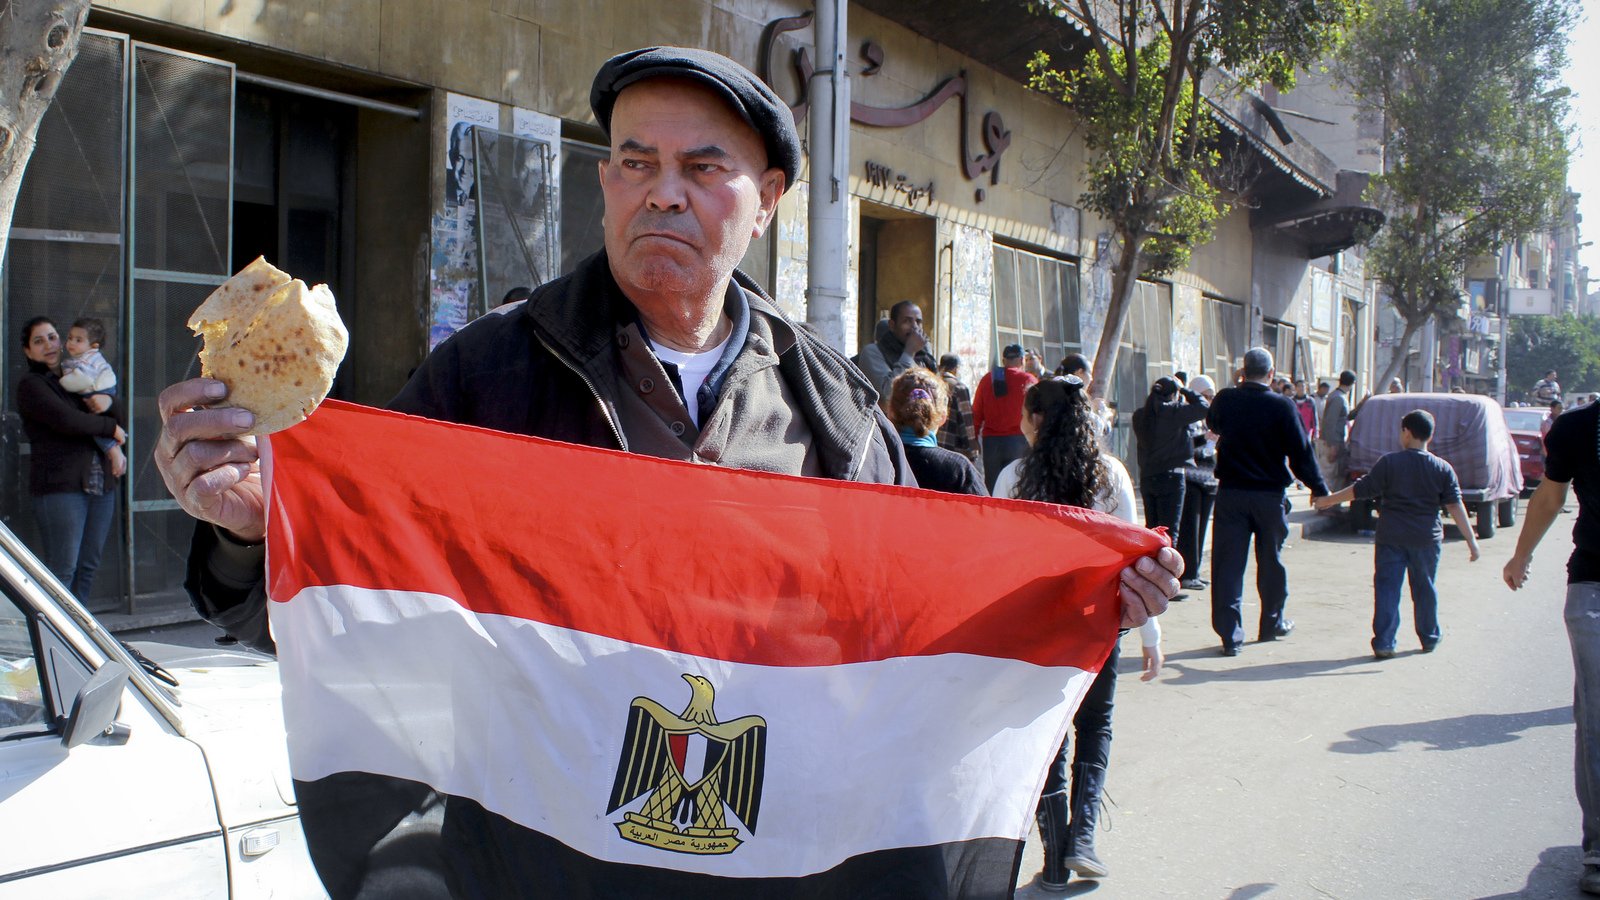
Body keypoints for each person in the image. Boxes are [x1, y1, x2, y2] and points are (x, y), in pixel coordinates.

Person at [152, 47, 1183, 895]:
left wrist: (1075, 606)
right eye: (636, 163)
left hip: (760, 855)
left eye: (702, 169)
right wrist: (251, 534)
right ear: (604, 180)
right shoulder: (486, 375)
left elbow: (901, 649)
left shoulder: (832, 410)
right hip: (537, 855)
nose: (662, 196)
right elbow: (346, 605)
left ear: (767, 198)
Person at [991, 377, 1163, 890]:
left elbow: (999, 562)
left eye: (1025, 415)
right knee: (1096, 725)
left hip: (1036, 627)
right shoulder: (1109, 475)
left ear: (1036, 420)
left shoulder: (1013, 477)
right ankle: (1084, 838)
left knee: (1047, 737)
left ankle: (1057, 856)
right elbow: (1137, 561)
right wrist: (1151, 634)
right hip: (1099, 621)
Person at [1503, 393, 1600, 896]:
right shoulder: (1578, 429)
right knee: (1597, 715)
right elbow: (1549, 496)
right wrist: (1521, 556)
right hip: (1594, 587)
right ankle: (1599, 847)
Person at [1313, 410, 1479, 657]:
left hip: (1391, 537)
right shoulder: (1443, 469)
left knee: (1387, 589)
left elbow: (1361, 490)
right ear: (1429, 436)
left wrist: (1328, 500)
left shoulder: (1390, 463)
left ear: (1407, 433)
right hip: (1426, 540)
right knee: (1425, 588)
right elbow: (1455, 506)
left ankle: (1384, 642)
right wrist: (1472, 542)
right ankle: (1429, 637)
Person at [1207, 347, 1328, 656]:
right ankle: (1271, 623)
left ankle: (1230, 636)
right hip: (1269, 497)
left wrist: (1236, 386)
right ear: (1272, 375)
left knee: (1227, 566)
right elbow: (1301, 454)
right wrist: (1319, 488)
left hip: (1231, 494)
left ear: (1242, 371)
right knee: (1271, 562)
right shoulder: (1283, 406)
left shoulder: (1226, 399)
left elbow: (1214, 424)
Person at [17, 317, 127, 601]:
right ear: (28, 351)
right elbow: (68, 421)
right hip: (61, 489)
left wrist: (110, 403)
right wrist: (111, 430)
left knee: (88, 567)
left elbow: (119, 414)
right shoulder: (32, 385)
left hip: (100, 486)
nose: (49, 345)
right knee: (62, 570)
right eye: (38, 341)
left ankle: (81, 639)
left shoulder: (78, 375)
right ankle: (55, 639)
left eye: (52, 337)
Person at [1130, 376, 1209, 558]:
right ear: (1173, 394)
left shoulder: (1140, 415)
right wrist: (1185, 390)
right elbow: (1203, 407)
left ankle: (1149, 572)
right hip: (1171, 477)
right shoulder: (1174, 412)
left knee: (1151, 530)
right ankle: (1166, 575)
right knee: (1169, 534)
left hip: (1148, 477)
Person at [886, 368, 985, 496]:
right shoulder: (959, 471)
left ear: (890, 412)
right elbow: (987, 513)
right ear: (943, 417)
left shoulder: (875, 462)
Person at [59, 317, 126, 476]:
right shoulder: (78, 359)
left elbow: (82, 380)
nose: (71, 343)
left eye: (78, 340)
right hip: (100, 392)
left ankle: (112, 449)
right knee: (98, 423)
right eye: (70, 338)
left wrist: (64, 381)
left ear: (93, 346)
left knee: (97, 426)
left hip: (99, 391)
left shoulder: (89, 359)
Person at [972, 344, 1039, 493]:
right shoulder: (1029, 380)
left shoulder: (987, 380)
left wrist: (974, 438)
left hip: (991, 444)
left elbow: (976, 412)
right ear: (1021, 360)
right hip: (1019, 441)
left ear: (1004, 360)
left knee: (993, 487)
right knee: (1018, 486)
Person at [1177, 374, 1219, 591]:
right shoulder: (1188, 417)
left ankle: (1196, 571)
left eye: (1212, 396)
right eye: (1205, 396)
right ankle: (1187, 573)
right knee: (1189, 530)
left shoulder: (1206, 419)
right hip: (1192, 479)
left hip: (1208, 480)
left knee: (1202, 530)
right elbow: (1188, 447)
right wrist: (1207, 439)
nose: (1209, 400)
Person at [854, 300, 936, 398]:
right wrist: (909, 353)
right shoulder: (872, 352)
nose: (915, 327)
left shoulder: (923, 354)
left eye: (918, 322)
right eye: (907, 321)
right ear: (892, 325)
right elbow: (887, 395)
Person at [934, 353, 981, 472]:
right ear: (956, 369)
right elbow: (967, 421)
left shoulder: (931, 384)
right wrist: (972, 448)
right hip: (953, 447)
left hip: (931, 444)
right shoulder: (959, 388)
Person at [1318, 369, 1356, 493]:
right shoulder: (1338, 398)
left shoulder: (1339, 396)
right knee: (1330, 475)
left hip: (1337, 440)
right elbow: (1330, 422)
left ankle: (1331, 505)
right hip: (1332, 442)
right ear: (1352, 383)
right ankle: (1326, 505)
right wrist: (1332, 445)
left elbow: (1346, 417)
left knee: (1336, 474)